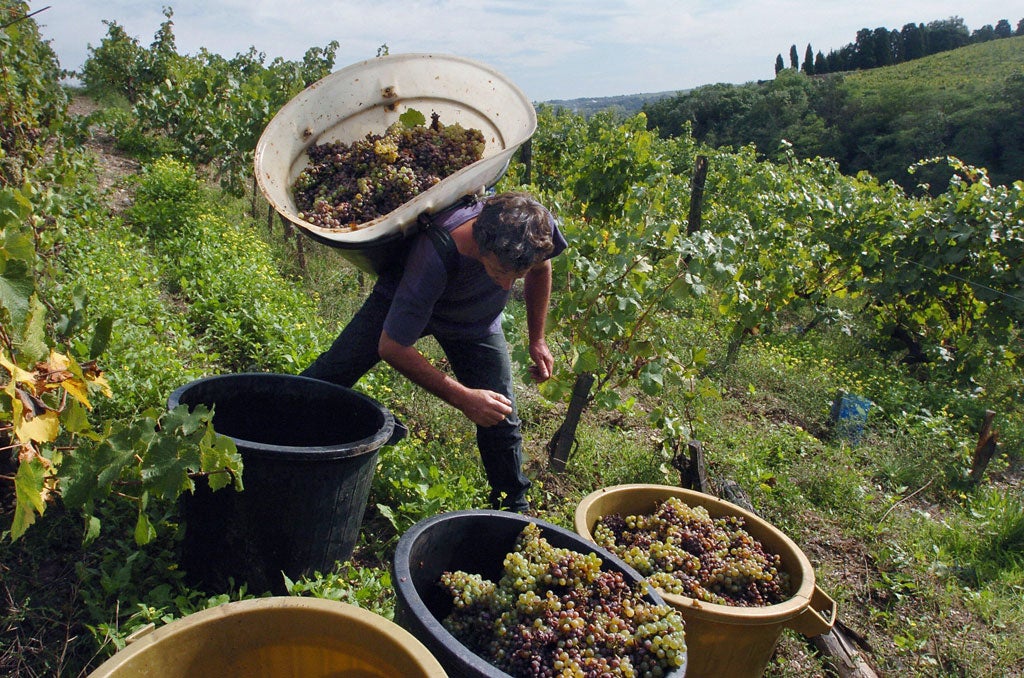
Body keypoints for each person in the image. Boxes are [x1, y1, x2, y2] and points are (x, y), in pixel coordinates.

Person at [302, 191, 567, 512]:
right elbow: (393, 346)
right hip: (405, 297)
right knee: (332, 373)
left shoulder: (534, 228)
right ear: (480, 246)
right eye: (499, 272)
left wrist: (537, 338)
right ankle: (281, 429)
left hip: (475, 323)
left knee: (501, 418)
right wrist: (463, 397)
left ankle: (513, 507)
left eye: (515, 278)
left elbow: (541, 269)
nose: (504, 286)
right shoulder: (437, 251)